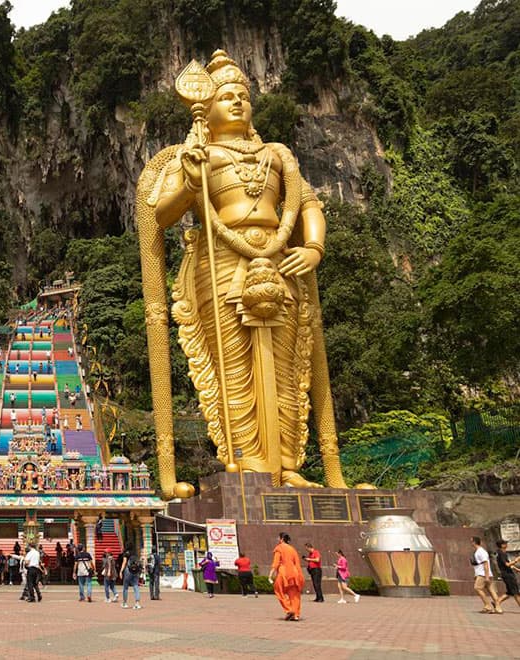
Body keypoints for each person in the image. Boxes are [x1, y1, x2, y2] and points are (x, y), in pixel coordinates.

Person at [137, 50, 349, 497]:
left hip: (280, 261)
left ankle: (288, 465)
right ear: (207, 108)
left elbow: (308, 203)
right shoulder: (198, 155)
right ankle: (246, 461)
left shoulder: (277, 155)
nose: (237, 102)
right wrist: (192, 182)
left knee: (289, 366)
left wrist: (312, 247)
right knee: (233, 366)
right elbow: (161, 213)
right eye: (226, 96)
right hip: (221, 265)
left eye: (243, 96)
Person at [269, 532, 304, 621]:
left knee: (278, 590)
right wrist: (300, 577)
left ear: (281, 539)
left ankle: (289, 610)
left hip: (283, 572)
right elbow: (297, 564)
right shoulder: (293, 549)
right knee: (294, 594)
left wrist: (271, 574)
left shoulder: (279, 548)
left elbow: (276, 563)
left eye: (278, 538)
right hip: (294, 573)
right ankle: (296, 615)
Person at [472, 536, 502, 613]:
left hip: (483, 574)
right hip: (484, 573)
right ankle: (498, 607)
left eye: (471, 541)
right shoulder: (479, 551)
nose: (471, 543)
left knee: (477, 588)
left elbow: (485, 564)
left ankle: (487, 605)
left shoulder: (480, 552)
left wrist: (487, 576)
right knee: (491, 590)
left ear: (474, 542)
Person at [495, 539, 520, 609]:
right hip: (508, 575)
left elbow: (509, 565)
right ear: (502, 545)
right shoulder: (501, 553)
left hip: (507, 574)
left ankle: (497, 602)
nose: (507, 545)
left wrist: (517, 569)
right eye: (505, 543)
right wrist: (516, 560)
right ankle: (497, 602)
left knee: (509, 592)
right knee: (516, 592)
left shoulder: (502, 553)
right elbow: (507, 564)